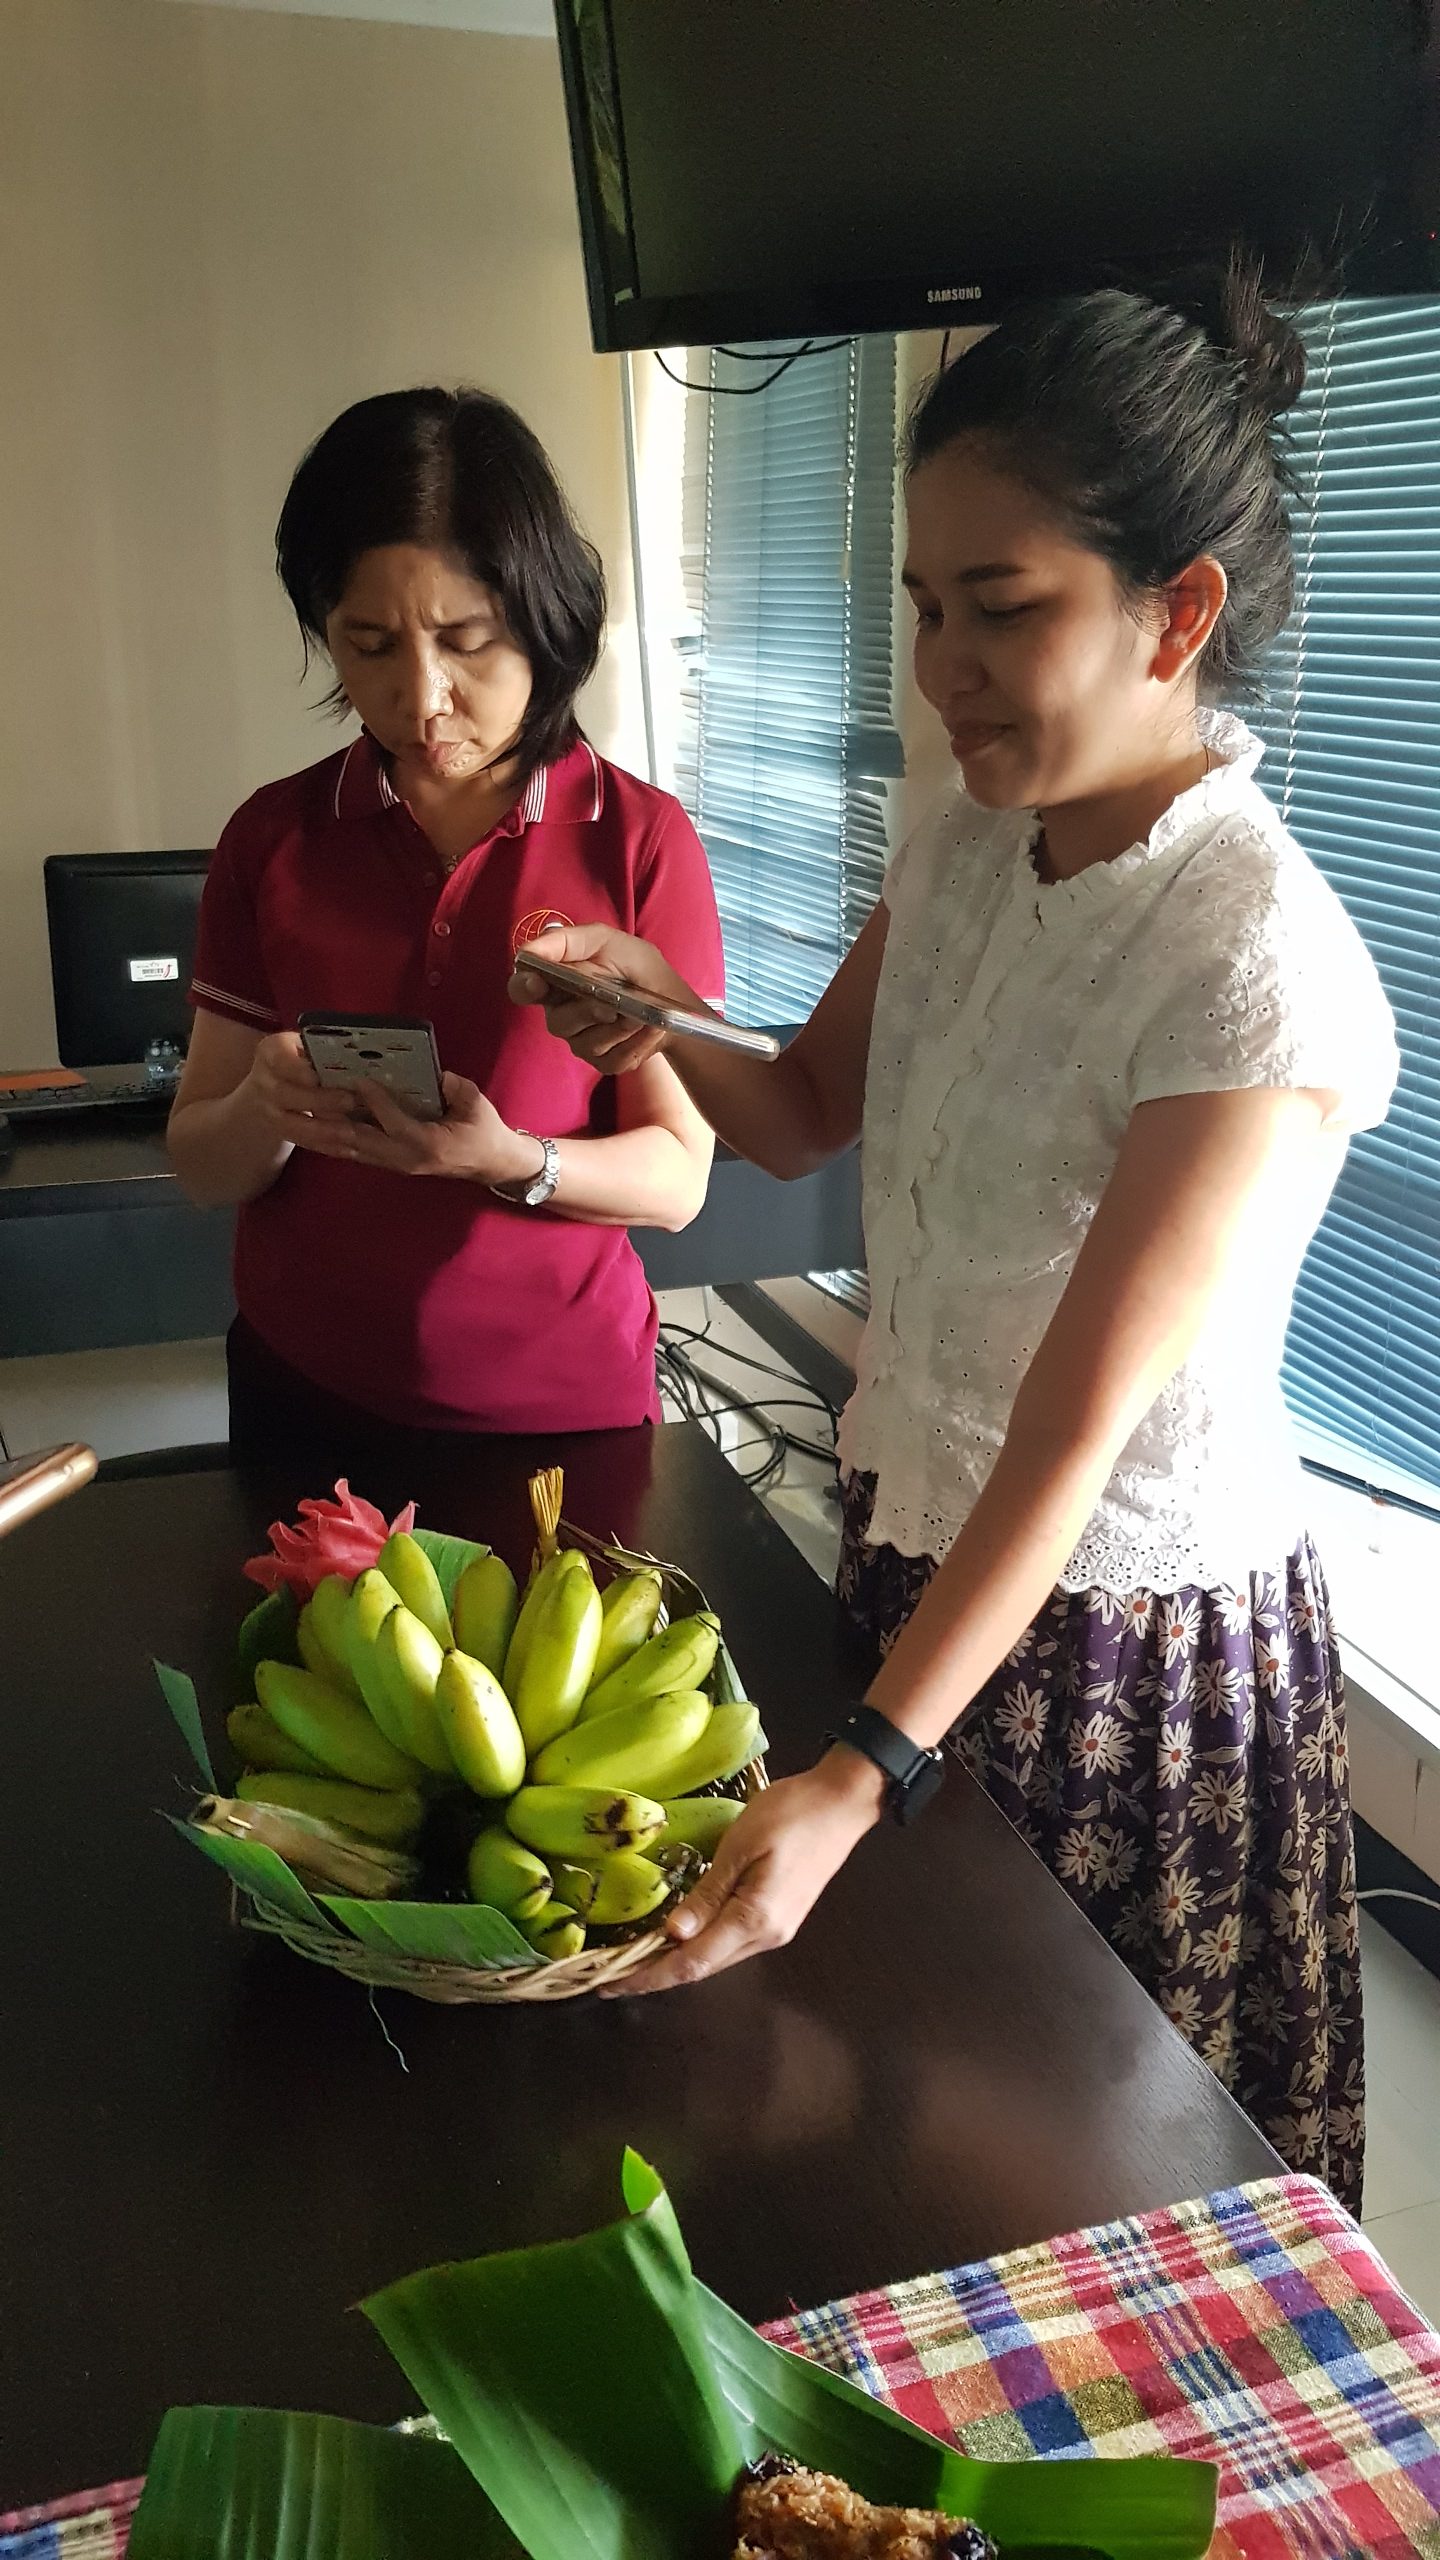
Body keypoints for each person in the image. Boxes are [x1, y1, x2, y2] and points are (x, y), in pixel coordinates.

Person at [514, 266, 1399, 2211]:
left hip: (1123, 1652)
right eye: (926, 607)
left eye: (1004, 609)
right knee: (891, 2141)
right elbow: (802, 1110)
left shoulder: (1249, 959)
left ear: (1180, 612)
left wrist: (860, 1772)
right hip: (927, 1572)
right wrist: (647, 1014)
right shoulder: (969, 844)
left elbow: (1075, 1435)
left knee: (1085, 2182)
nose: (944, 666)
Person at [169, 388, 721, 1463]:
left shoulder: (637, 841)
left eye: (467, 641)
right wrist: (265, 1110)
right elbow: (201, 1164)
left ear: (546, 617)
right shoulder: (274, 837)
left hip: (556, 1411)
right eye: (369, 645)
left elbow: (677, 1177)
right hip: (305, 1388)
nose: (423, 700)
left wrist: (510, 1159)